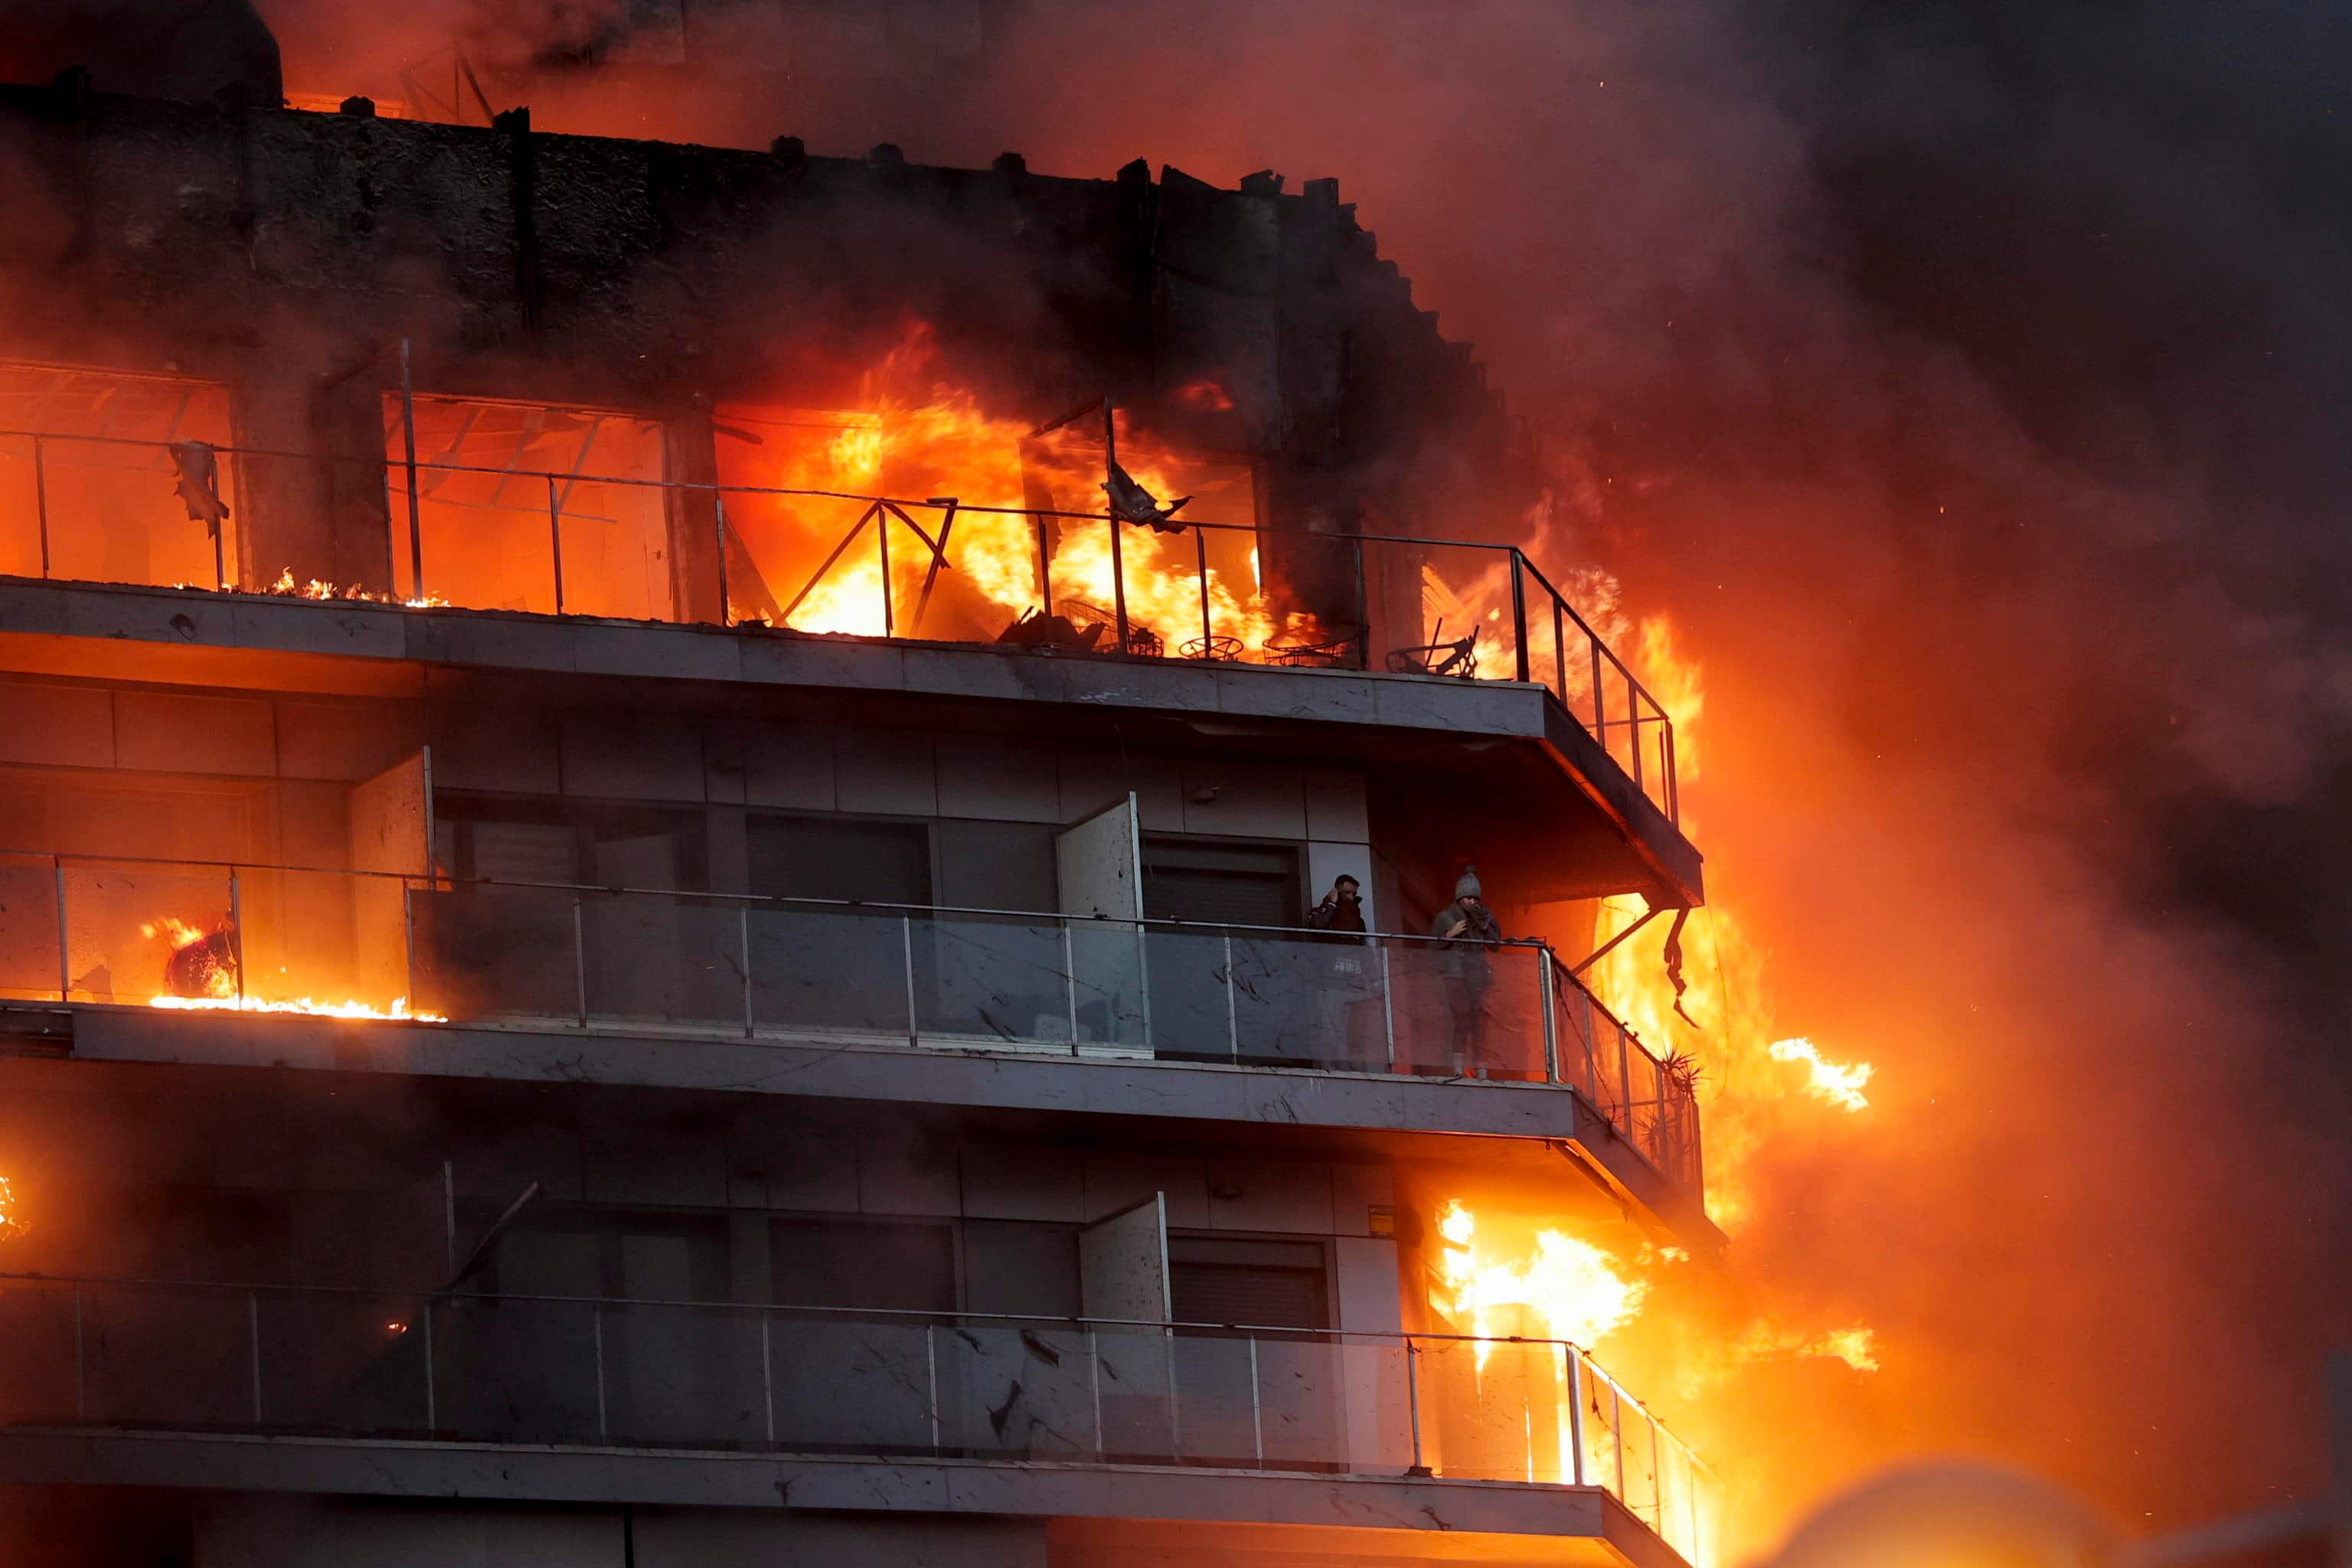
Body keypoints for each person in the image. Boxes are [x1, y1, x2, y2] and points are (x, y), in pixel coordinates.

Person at [1426, 865, 1503, 1068]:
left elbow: (1496, 946)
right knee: (1461, 1019)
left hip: (1477, 977)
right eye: (1470, 898)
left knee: (1480, 1025)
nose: (1474, 902)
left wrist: (1487, 925)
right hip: (1455, 975)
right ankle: (1458, 1070)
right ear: (1460, 898)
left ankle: (1482, 1072)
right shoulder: (1445, 917)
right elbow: (1430, 946)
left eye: (1476, 898)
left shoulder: (1480, 919)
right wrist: (1450, 935)